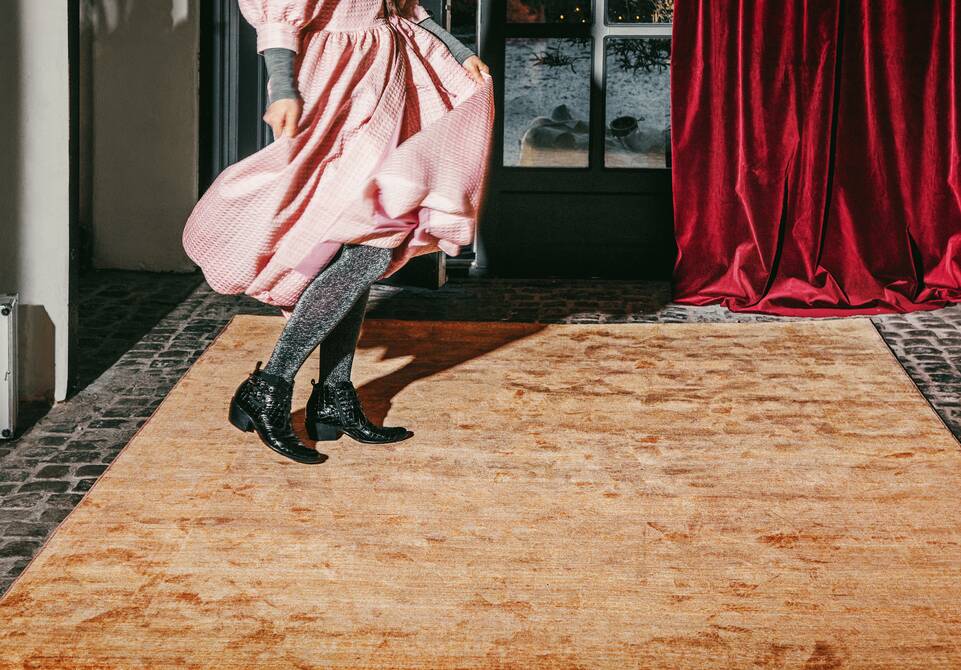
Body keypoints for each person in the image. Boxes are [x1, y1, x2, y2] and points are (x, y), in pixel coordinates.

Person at [182, 0, 494, 464]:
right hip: (338, 86)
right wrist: (283, 85)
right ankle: (269, 386)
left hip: (391, 78)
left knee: (368, 245)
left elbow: (404, 7)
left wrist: (455, 48)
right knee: (367, 246)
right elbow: (279, 11)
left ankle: (332, 395)